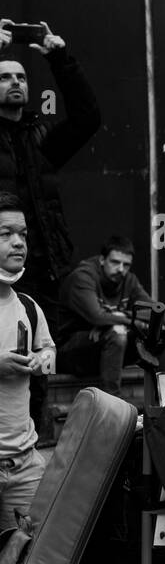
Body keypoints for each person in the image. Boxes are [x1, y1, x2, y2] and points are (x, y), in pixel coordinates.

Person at [0, 20, 100, 427]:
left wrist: (58, 54)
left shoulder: (39, 139)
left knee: (37, 369)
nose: (15, 83)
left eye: (21, 77)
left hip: (42, 271)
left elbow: (87, 117)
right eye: (4, 77)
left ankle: (30, 447)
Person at [0, 193, 52, 531]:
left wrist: (41, 359)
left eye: (23, 234)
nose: (18, 242)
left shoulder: (29, 306)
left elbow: (49, 352)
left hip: (25, 466)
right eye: (5, 234)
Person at [57, 237, 165, 396]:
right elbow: (97, 317)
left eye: (126, 265)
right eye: (115, 262)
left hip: (107, 349)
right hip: (71, 352)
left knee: (161, 333)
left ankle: (161, 398)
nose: (121, 269)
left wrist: (121, 316)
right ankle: (114, 403)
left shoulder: (128, 280)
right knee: (117, 334)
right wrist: (120, 323)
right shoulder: (83, 276)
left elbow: (161, 314)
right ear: (102, 259)